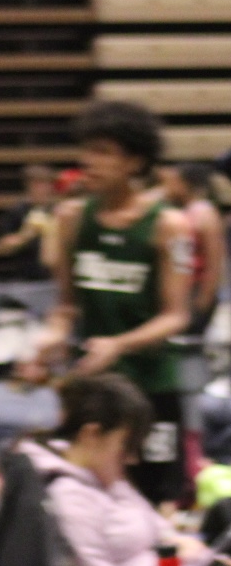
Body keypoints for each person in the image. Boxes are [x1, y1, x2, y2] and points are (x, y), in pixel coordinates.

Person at [42, 99, 192, 508]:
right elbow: (66, 305)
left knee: (157, 497)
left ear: (135, 161)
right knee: (85, 491)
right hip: (95, 389)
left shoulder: (168, 225)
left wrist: (119, 344)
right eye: (87, 149)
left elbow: (177, 315)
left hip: (150, 386)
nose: (88, 162)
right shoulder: (73, 218)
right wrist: (53, 335)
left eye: (103, 152)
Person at [20, 373, 229, 566]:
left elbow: (165, 535)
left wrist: (183, 559)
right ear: (91, 435)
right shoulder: (70, 498)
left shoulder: (112, 482)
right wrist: (168, 562)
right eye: (125, 446)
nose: (131, 459)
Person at [158, 161, 226, 339]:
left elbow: (214, 262)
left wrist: (204, 299)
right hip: (181, 288)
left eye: (171, 182)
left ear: (184, 184)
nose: (166, 187)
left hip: (196, 291)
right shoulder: (180, 211)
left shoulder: (205, 213)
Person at [0, 164, 58, 284]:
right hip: (24, 275)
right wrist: (26, 234)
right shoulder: (17, 211)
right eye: (37, 184)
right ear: (28, 186)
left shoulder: (57, 211)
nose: (41, 189)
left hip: (52, 275)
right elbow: (6, 243)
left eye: (44, 184)